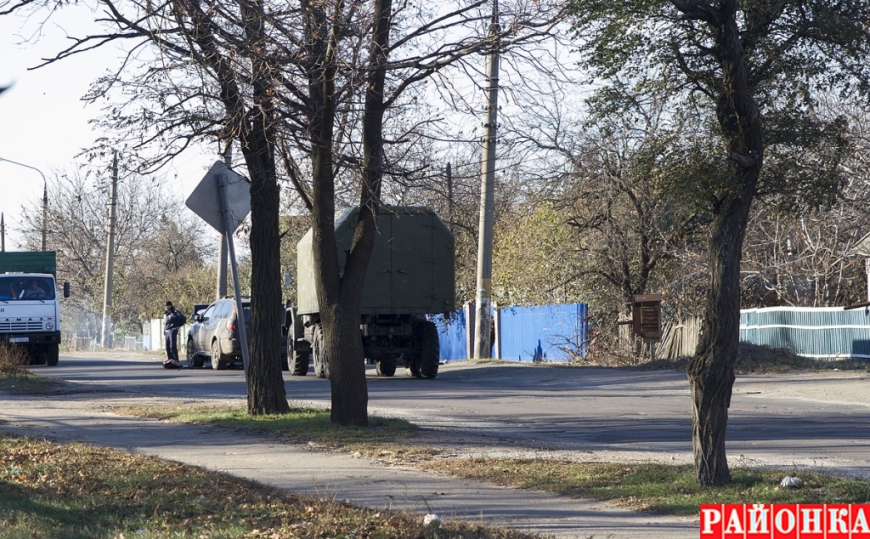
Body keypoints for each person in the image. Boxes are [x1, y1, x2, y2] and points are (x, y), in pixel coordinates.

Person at [162, 300, 186, 369]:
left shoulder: (175, 312)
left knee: (172, 346)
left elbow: (183, 319)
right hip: (167, 331)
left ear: (171, 305)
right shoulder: (166, 313)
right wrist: (164, 330)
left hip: (172, 330)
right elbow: (165, 323)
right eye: (165, 306)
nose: (166, 307)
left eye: (167, 305)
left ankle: (175, 360)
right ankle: (170, 359)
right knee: (168, 347)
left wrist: (178, 325)